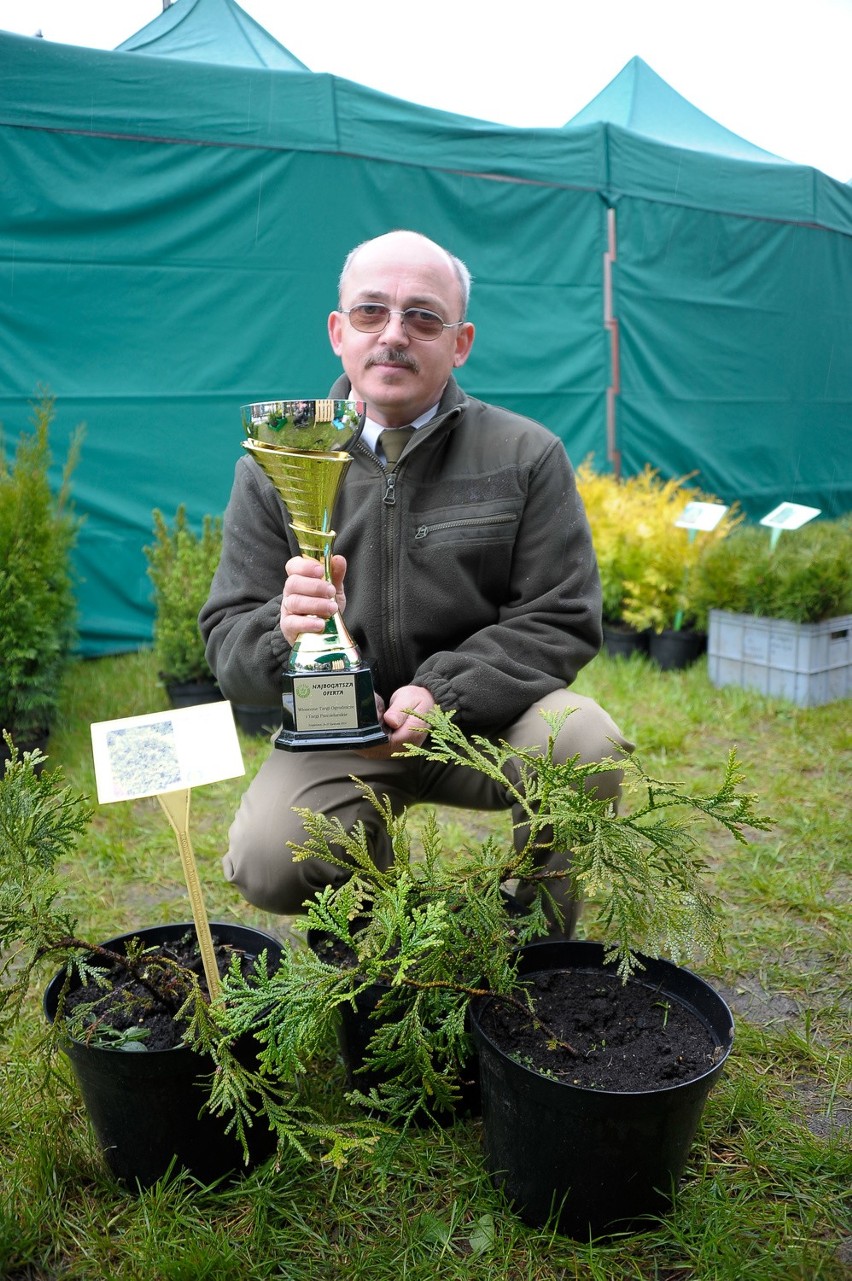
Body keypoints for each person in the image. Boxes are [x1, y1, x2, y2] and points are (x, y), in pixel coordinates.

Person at [199, 229, 633, 927]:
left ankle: (538, 941)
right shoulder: (274, 460)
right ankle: (385, 932)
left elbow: (562, 615)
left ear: (459, 342)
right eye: (371, 312)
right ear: (339, 331)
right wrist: (284, 629)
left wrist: (443, 691)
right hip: (340, 732)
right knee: (266, 856)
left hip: (486, 724)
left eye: (422, 317)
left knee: (585, 743)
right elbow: (228, 646)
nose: (394, 334)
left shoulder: (525, 454)